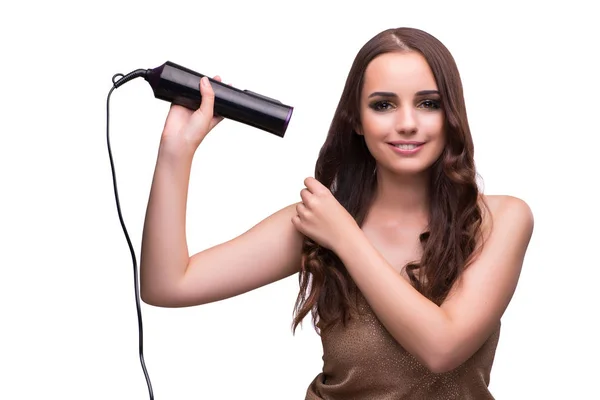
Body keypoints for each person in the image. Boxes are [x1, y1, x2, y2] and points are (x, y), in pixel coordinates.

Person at [139, 27, 534, 399]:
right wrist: (176, 151)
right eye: (383, 105)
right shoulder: (318, 220)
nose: (408, 123)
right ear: (357, 122)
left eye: (428, 104)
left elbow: (442, 348)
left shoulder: (499, 221)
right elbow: (168, 285)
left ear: (451, 115)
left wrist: (345, 236)